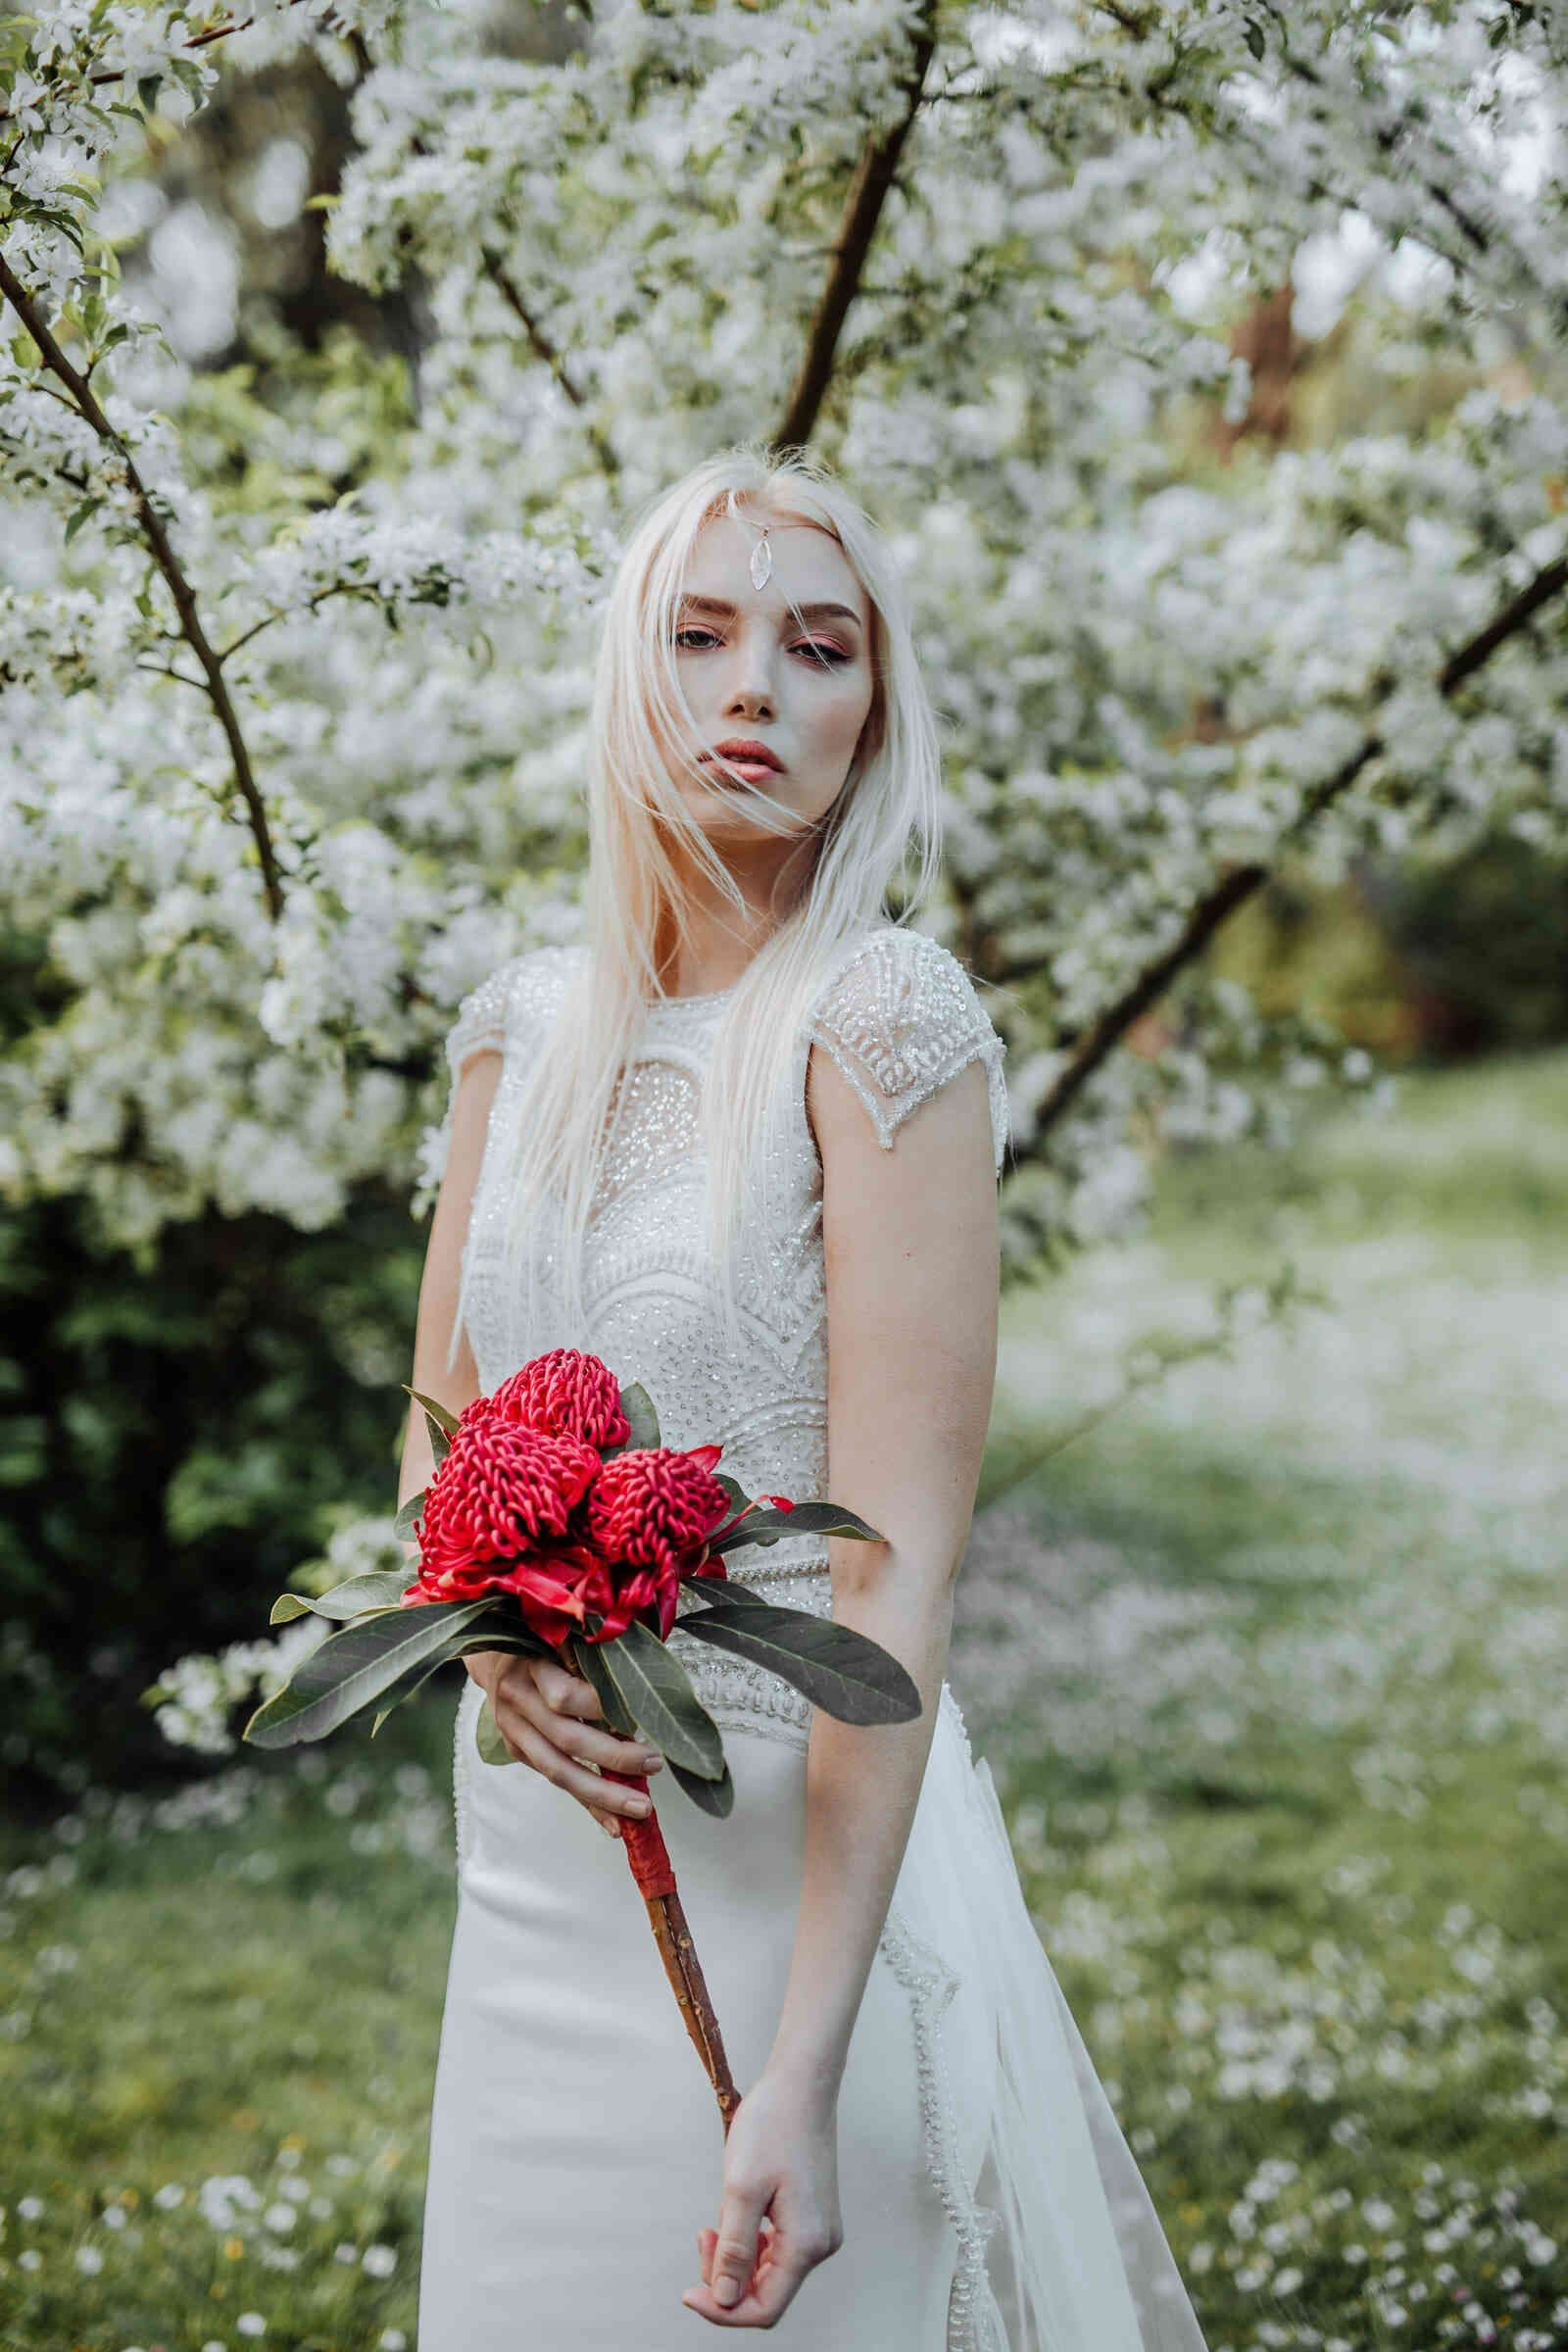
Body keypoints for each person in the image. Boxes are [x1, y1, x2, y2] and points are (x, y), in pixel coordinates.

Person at [400, 443, 1211, 2349]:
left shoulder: (885, 1022)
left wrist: (801, 2066)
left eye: (817, 645)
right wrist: (483, 1648)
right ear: (628, 674)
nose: (753, 686)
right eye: (697, 634)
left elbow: (897, 1571)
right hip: (533, 1853)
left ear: (872, 709)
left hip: (787, 1852)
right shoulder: (513, 1031)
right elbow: (433, 1439)